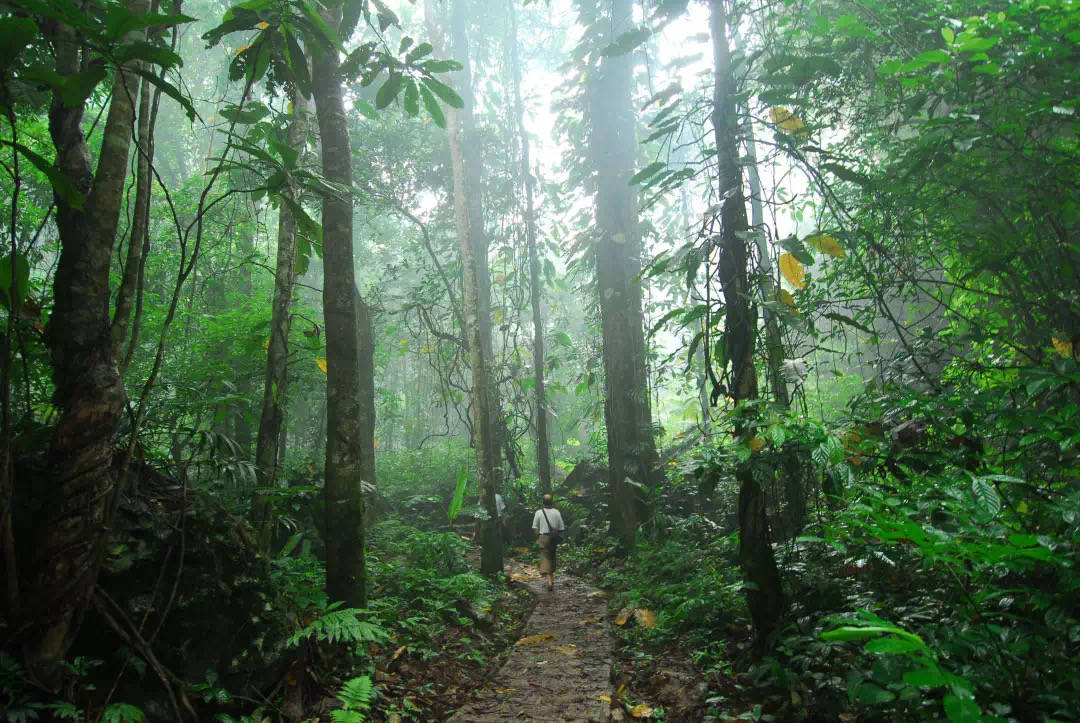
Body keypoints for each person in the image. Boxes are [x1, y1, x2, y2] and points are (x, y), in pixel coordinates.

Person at [532, 494, 565, 591]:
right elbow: (561, 528)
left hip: (543, 537)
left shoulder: (538, 512)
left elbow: (535, 528)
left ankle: (549, 581)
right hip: (554, 538)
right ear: (552, 502)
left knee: (546, 557)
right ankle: (551, 579)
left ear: (543, 502)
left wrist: (539, 536)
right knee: (552, 556)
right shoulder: (556, 512)